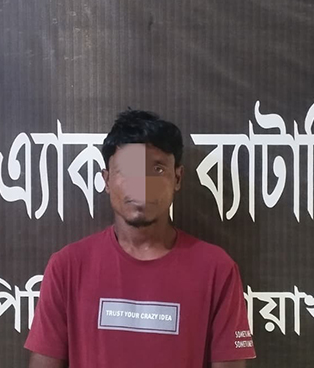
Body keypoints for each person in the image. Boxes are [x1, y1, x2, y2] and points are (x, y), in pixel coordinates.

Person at [25, 110, 256, 367]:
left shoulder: (217, 269)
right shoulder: (67, 267)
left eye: (156, 169)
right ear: (106, 179)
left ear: (177, 178)